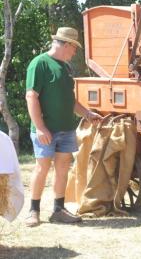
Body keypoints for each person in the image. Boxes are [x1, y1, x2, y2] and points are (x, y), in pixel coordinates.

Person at [24, 27, 102, 227]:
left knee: (63, 168)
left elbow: (70, 100)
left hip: (66, 128)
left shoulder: (66, 67)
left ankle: (58, 210)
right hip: (46, 130)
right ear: (66, 45)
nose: (74, 52)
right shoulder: (39, 63)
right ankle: (33, 211)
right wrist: (40, 128)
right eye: (74, 48)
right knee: (42, 168)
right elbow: (31, 96)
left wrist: (87, 113)